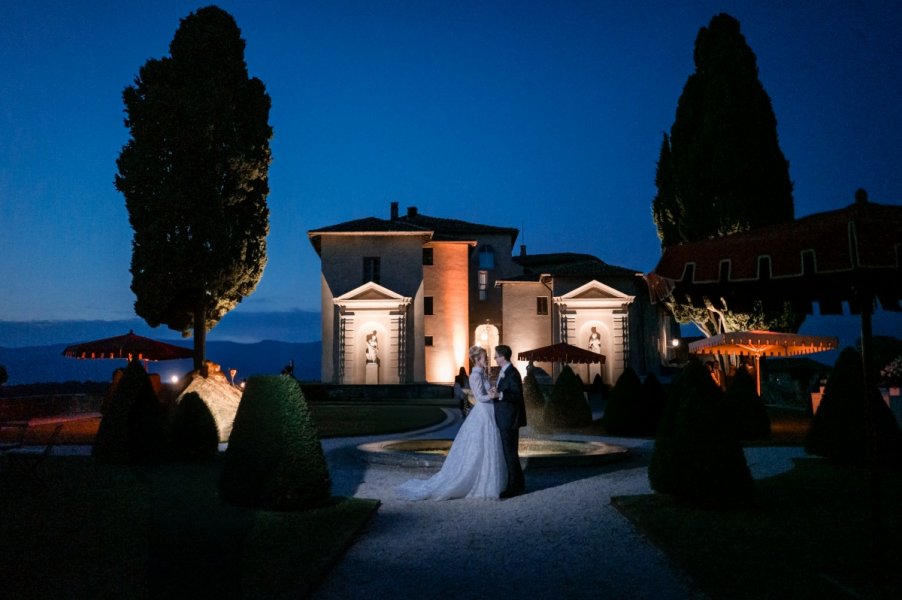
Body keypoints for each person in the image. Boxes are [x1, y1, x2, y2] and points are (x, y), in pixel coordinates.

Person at [397, 345, 506, 500]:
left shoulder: (482, 374)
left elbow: (485, 393)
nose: (486, 359)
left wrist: (492, 392)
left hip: (488, 412)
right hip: (483, 412)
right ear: (476, 360)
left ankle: (492, 481)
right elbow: (479, 398)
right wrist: (493, 396)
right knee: (481, 446)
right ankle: (481, 482)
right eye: (483, 357)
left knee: (489, 445)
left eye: (486, 357)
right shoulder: (475, 376)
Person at [490, 344, 527, 498]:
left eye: (496, 356)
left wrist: (500, 395)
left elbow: (517, 396)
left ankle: (513, 488)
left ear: (503, 357)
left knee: (510, 453)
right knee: (509, 453)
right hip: (505, 417)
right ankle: (519, 483)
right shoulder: (504, 372)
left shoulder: (512, 373)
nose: (494, 358)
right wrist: (497, 392)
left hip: (510, 419)